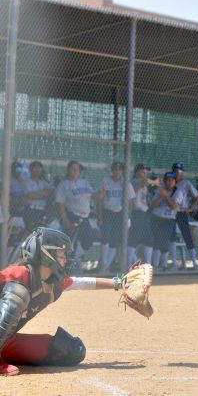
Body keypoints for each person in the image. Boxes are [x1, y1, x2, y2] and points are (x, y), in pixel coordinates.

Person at [0, 227, 126, 376]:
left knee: (70, 350)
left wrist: (120, 283)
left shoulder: (53, 284)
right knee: (18, 293)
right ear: (47, 254)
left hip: (5, 340)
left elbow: (82, 282)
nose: (66, 259)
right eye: (61, 253)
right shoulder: (19, 274)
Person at [54, 161, 97, 270]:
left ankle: (71, 259)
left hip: (85, 217)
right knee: (71, 242)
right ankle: (67, 266)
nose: (76, 171)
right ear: (68, 170)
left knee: (88, 239)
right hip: (72, 215)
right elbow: (60, 203)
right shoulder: (63, 184)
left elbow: (93, 196)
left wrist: (102, 191)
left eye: (77, 169)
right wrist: (65, 219)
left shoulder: (85, 182)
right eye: (73, 169)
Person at [96, 162, 135, 274]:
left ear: (122, 171)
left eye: (119, 169)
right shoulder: (106, 181)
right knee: (106, 237)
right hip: (107, 212)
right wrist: (99, 216)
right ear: (112, 170)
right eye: (115, 169)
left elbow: (131, 200)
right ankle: (103, 263)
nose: (117, 171)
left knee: (114, 240)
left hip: (120, 214)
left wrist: (128, 216)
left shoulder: (125, 183)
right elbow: (100, 200)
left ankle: (106, 266)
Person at [149, 172, 184, 271]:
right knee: (155, 241)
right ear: (165, 181)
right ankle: (155, 266)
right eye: (168, 180)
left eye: (172, 180)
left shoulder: (178, 192)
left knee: (164, 241)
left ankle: (163, 265)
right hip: (156, 218)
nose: (170, 182)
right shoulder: (159, 189)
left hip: (169, 220)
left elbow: (174, 207)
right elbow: (153, 205)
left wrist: (167, 196)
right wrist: (161, 196)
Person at [170, 163, 198, 270]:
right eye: (176, 171)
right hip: (171, 212)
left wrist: (192, 207)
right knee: (171, 237)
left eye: (180, 171)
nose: (178, 173)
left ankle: (195, 263)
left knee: (187, 236)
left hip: (182, 212)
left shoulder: (186, 183)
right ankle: (174, 264)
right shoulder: (169, 182)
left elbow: (197, 196)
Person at [127, 164, 159, 266]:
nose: (145, 174)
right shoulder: (135, 181)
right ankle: (132, 265)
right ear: (137, 172)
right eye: (143, 172)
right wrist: (154, 182)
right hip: (137, 214)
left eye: (146, 172)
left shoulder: (143, 183)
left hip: (143, 215)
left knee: (145, 239)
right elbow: (145, 181)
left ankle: (141, 265)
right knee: (138, 239)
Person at [22, 161, 54, 233]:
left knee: (40, 233)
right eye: (35, 168)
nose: (37, 170)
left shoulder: (43, 182)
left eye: (39, 168)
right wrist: (44, 193)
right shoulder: (25, 182)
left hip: (42, 211)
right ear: (30, 169)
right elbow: (30, 195)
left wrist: (37, 194)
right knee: (30, 232)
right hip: (30, 210)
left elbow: (51, 191)